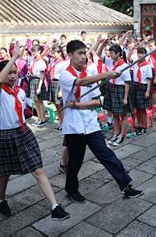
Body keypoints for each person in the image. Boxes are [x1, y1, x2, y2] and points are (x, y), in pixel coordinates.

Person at [0, 42, 69, 220]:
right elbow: (0, 80)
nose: (13, 76)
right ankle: (1, 200)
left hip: (23, 133)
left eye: (15, 72)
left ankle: (55, 206)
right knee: (4, 173)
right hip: (6, 135)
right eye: (9, 72)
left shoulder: (20, 92)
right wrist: (15, 56)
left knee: (38, 170)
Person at [60, 40, 143, 202]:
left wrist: (80, 105)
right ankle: (71, 189)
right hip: (74, 126)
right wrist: (107, 74)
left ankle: (125, 185)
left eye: (85, 53)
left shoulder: (90, 74)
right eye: (80, 53)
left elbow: (98, 102)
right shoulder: (65, 74)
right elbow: (80, 82)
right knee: (75, 160)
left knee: (106, 154)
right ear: (70, 55)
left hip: (90, 124)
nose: (84, 57)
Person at [104, 44, 131, 146]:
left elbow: (127, 82)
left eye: (112, 53)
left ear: (118, 54)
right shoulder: (112, 63)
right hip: (112, 89)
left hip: (120, 90)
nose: (110, 55)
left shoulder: (124, 66)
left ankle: (121, 135)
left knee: (123, 114)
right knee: (114, 113)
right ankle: (116, 132)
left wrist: (125, 98)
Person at [29, 44, 48, 126]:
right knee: (35, 101)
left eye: (35, 51)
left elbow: (42, 76)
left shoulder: (41, 62)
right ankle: (39, 118)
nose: (33, 52)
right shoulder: (34, 60)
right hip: (32, 80)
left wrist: (39, 87)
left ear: (39, 51)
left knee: (39, 101)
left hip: (38, 81)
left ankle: (43, 119)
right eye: (32, 51)